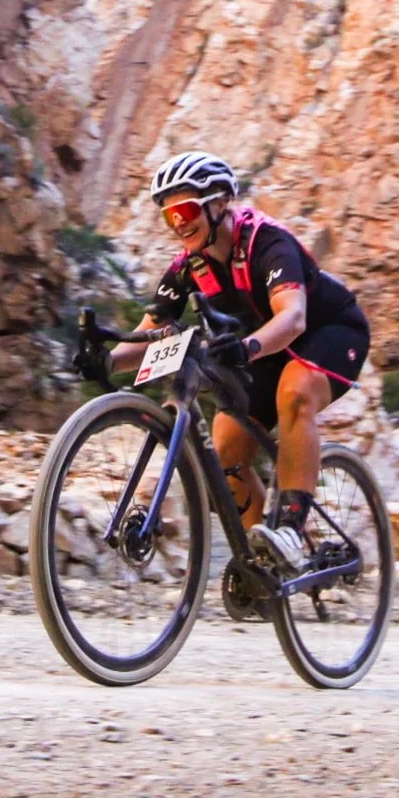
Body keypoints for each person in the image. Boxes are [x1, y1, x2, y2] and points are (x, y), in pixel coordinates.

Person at [108, 150, 370, 574]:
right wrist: (104, 359)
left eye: (187, 209)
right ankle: (262, 564)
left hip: (328, 333)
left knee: (296, 392)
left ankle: (289, 526)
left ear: (218, 203)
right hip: (262, 350)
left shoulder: (267, 243)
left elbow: (292, 317)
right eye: (168, 215)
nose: (178, 222)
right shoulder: (188, 266)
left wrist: (247, 349)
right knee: (225, 448)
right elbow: (147, 335)